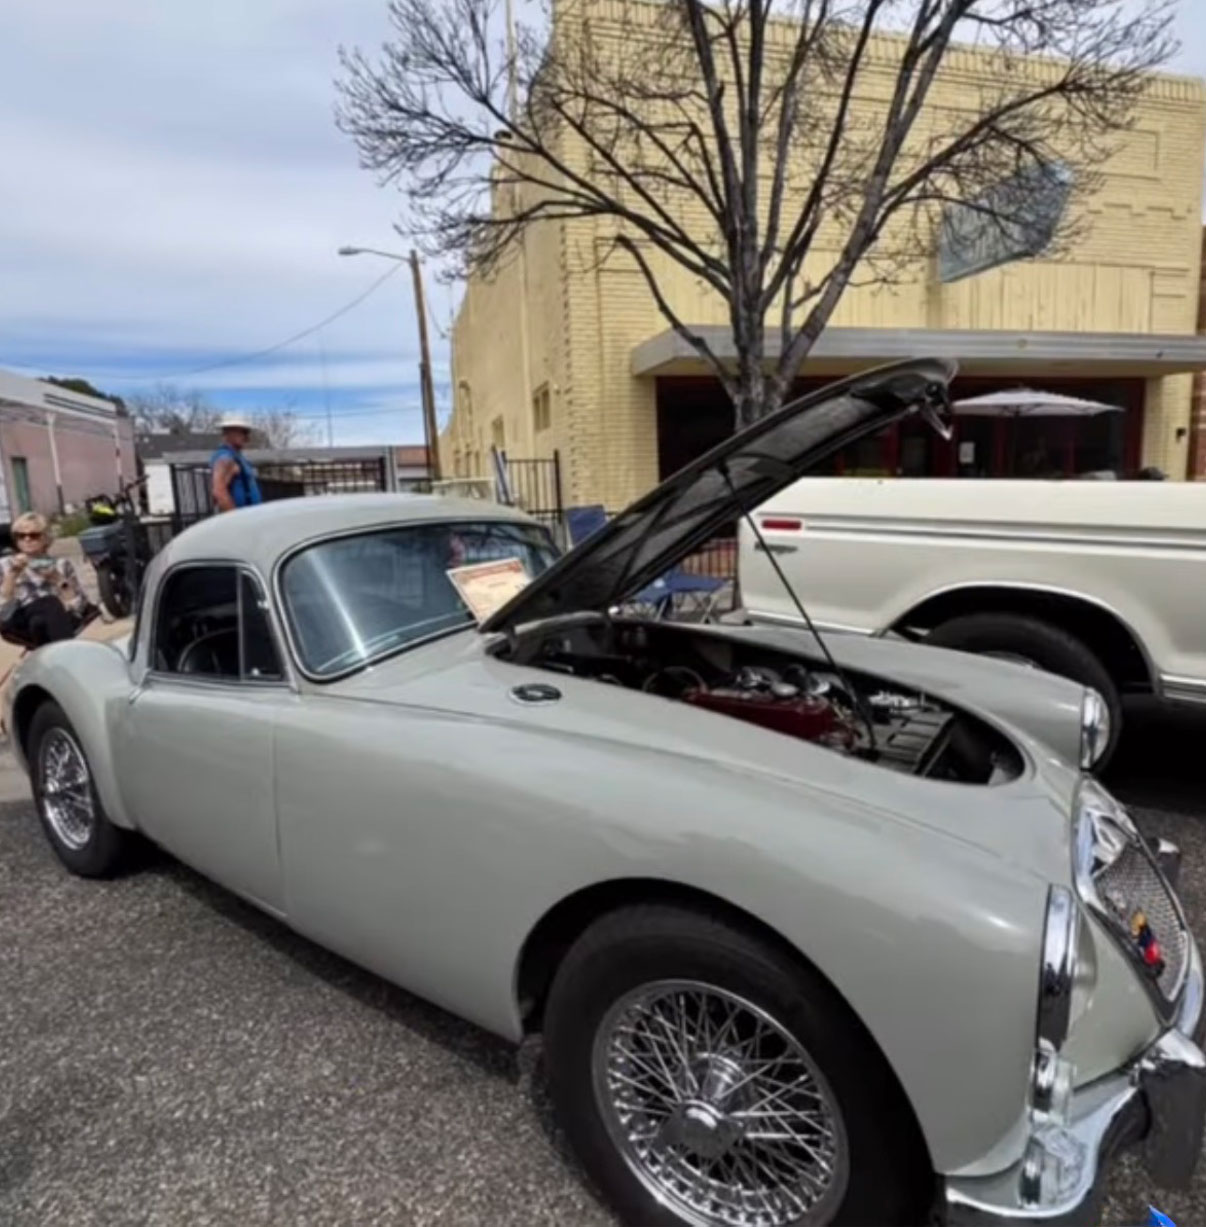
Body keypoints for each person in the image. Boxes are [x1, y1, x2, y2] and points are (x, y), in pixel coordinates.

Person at [0, 513, 90, 646]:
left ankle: (51, 659)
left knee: (40, 621)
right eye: (21, 536)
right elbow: (3, 610)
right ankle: (69, 653)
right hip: (19, 618)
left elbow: (79, 607)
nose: (27, 539)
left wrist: (58, 579)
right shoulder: (5, 564)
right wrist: (13, 574)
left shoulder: (61, 564)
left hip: (58, 619)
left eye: (34, 535)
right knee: (49, 603)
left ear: (45, 539)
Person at [210, 414, 263, 512]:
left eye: (247, 432)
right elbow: (219, 492)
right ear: (228, 433)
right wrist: (234, 518)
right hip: (240, 520)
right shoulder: (226, 458)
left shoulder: (237, 457)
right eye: (243, 432)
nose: (247, 437)